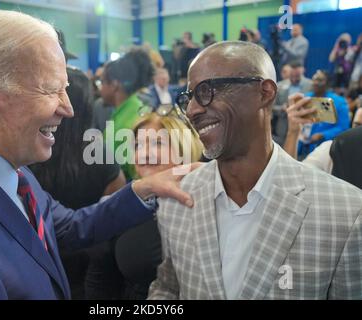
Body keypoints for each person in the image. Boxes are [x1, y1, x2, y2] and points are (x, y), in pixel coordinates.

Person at [0, 10, 197, 299]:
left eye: (66, 89)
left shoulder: (10, 170)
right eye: (51, 89)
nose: (68, 109)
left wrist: (143, 188)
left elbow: (69, 228)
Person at [148, 41, 362, 300]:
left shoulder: (345, 212)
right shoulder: (178, 200)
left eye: (207, 90)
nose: (193, 110)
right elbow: (168, 290)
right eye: (189, 97)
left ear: (264, 92)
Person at [86, 109, 204, 299]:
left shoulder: (207, 201)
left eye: (158, 143)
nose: (144, 153)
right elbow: (100, 281)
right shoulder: (118, 206)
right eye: (138, 145)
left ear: (184, 150)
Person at [29, 67, 126, 299]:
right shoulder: (100, 155)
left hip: (40, 262)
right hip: (93, 266)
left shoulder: (29, 153)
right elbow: (116, 208)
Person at [101, 47, 155, 180]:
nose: (100, 88)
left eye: (102, 82)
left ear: (114, 85)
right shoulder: (127, 110)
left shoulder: (129, 121)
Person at [297, 70, 350, 159]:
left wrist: (323, 135)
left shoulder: (339, 102)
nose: (316, 82)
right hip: (301, 147)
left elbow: (344, 128)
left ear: (328, 83)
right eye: (314, 79)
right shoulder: (305, 98)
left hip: (325, 149)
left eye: (320, 80)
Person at [272, 60, 312, 145]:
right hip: (282, 128)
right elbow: (271, 106)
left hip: (304, 128)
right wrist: (281, 108)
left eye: (297, 76)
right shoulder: (279, 85)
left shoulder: (311, 85)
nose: (294, 78)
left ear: (303, 71)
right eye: (291, 76)